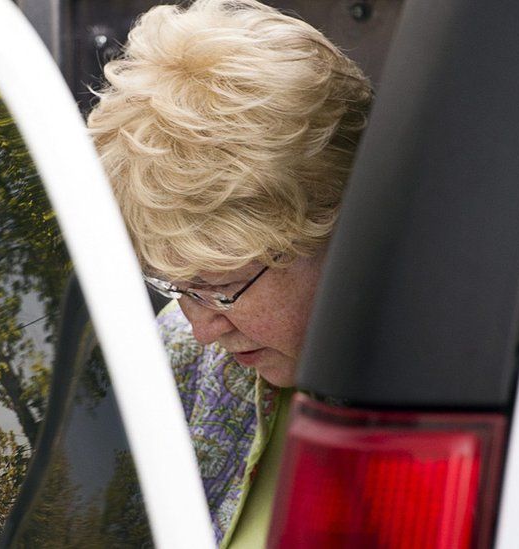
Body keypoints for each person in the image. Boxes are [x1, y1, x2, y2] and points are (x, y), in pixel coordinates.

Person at [87, 0, 372, 545]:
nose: (201, 329)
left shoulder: (437, 383)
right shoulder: (176, 352)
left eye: (219, 290)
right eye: (175, 288)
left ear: (338, 229)